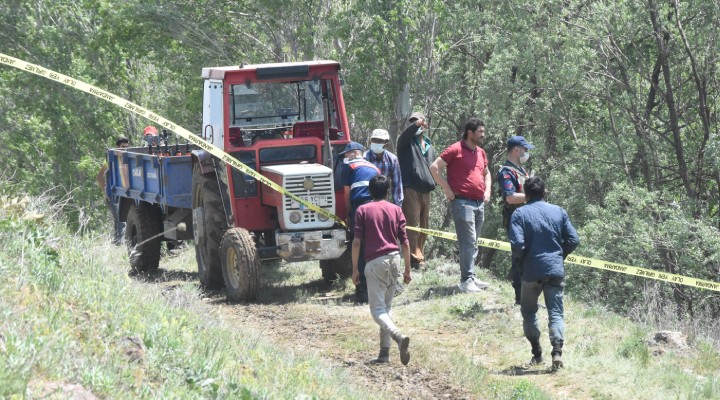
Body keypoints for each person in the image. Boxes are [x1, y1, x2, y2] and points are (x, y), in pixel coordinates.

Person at [508, 176, 579, 369]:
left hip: (530, 271)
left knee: (529, 312)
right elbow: (573, 239)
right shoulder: (559, 211)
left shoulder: (519, 214)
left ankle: (537, 354)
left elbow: (518, 244)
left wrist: (520, 262)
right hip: (555, 270)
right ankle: (557, 352)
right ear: (544, 192)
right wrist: (558, 256)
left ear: (526, 194)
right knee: (556, 312)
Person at [352, 175, 412, 365]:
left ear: (369, 192)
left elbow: (356, 242)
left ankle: (398, 336)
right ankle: (384, 354)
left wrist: (355, 269)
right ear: (388, 192)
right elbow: (405, 242)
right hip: (395, 259)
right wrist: (407, 270)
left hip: (375, 262)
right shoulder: (396, 209)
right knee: (386, 309)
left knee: (377, 310)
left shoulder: (363, 210)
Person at [429, 118, 491, 293]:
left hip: (479, 203)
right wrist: (447, 189)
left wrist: (487, 191)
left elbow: (487, 173)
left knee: (474, 242)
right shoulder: (455, 149)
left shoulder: (481, 152)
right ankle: (465, 281)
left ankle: (470, 277)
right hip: (462, 203)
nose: (483, 135)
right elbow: (434, 167)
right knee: (468, 242)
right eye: (480, 132)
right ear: (470, 133)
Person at [341, 141, 380, 303]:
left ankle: (362, 291)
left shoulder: (348, 167)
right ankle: (387, 285)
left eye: (346, 154)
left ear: (351, 154)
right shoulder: (375, 167)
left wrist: (348, 214)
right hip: (378, 207)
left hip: (361, 208)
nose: (346, 157)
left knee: (360, 247)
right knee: (378, 246)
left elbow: (346, 194)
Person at [497, 136, 535, 304]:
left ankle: (530, 297)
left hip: (529, 219)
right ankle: (520, 298)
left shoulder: (522, 171)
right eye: (524, 149)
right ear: (516, 150)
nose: (526, 153)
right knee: (519, 257)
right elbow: (511, 198)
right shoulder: (506, 171)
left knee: (530, 258)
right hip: (516, 221)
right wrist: (533, 195)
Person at [396, 112, 436, 269]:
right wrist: (415, 125)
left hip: (426, 191)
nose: (416, 124)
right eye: (413, 122)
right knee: (412, 225)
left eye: (418, 122)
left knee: (424, 226)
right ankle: (413, 260)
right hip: (411, 189)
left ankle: (420, 255)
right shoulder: (405, 143)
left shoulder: (429, 145)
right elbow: (405, 135)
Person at [96, 137, 129, 245]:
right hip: (112, 195)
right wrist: (104, 192)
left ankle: (116, 243)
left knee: (118, 221)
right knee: (121, 222)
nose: (124, 149)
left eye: (126, 147)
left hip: (122, 195)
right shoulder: (110, 160)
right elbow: (99, 177)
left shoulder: (126, 159)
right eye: (122, 147)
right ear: (117, 147)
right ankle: (120, 244)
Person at [364, 129, 403, 206]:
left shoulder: (392, 159)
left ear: (386, 144)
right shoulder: (364, 158)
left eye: (379, 141)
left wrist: (397, 208)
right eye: (374, 140)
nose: (376, 142)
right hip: (366, 203)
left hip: (384, 204)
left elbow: (397, 185)